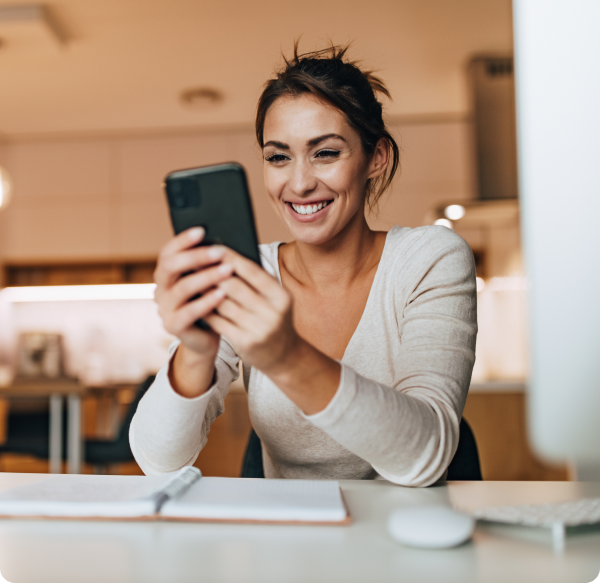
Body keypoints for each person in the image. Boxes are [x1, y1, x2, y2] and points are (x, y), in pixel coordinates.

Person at [130, 45, 477, 487]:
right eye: (278, 157)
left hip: (407, 535)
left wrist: (286, 356)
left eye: (326, 153)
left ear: (377, 158)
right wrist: (196, 350)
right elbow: (158, 463)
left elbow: (425, 458)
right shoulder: (246, 271)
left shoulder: (429, 259)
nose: (299, 183)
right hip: (289, 539)